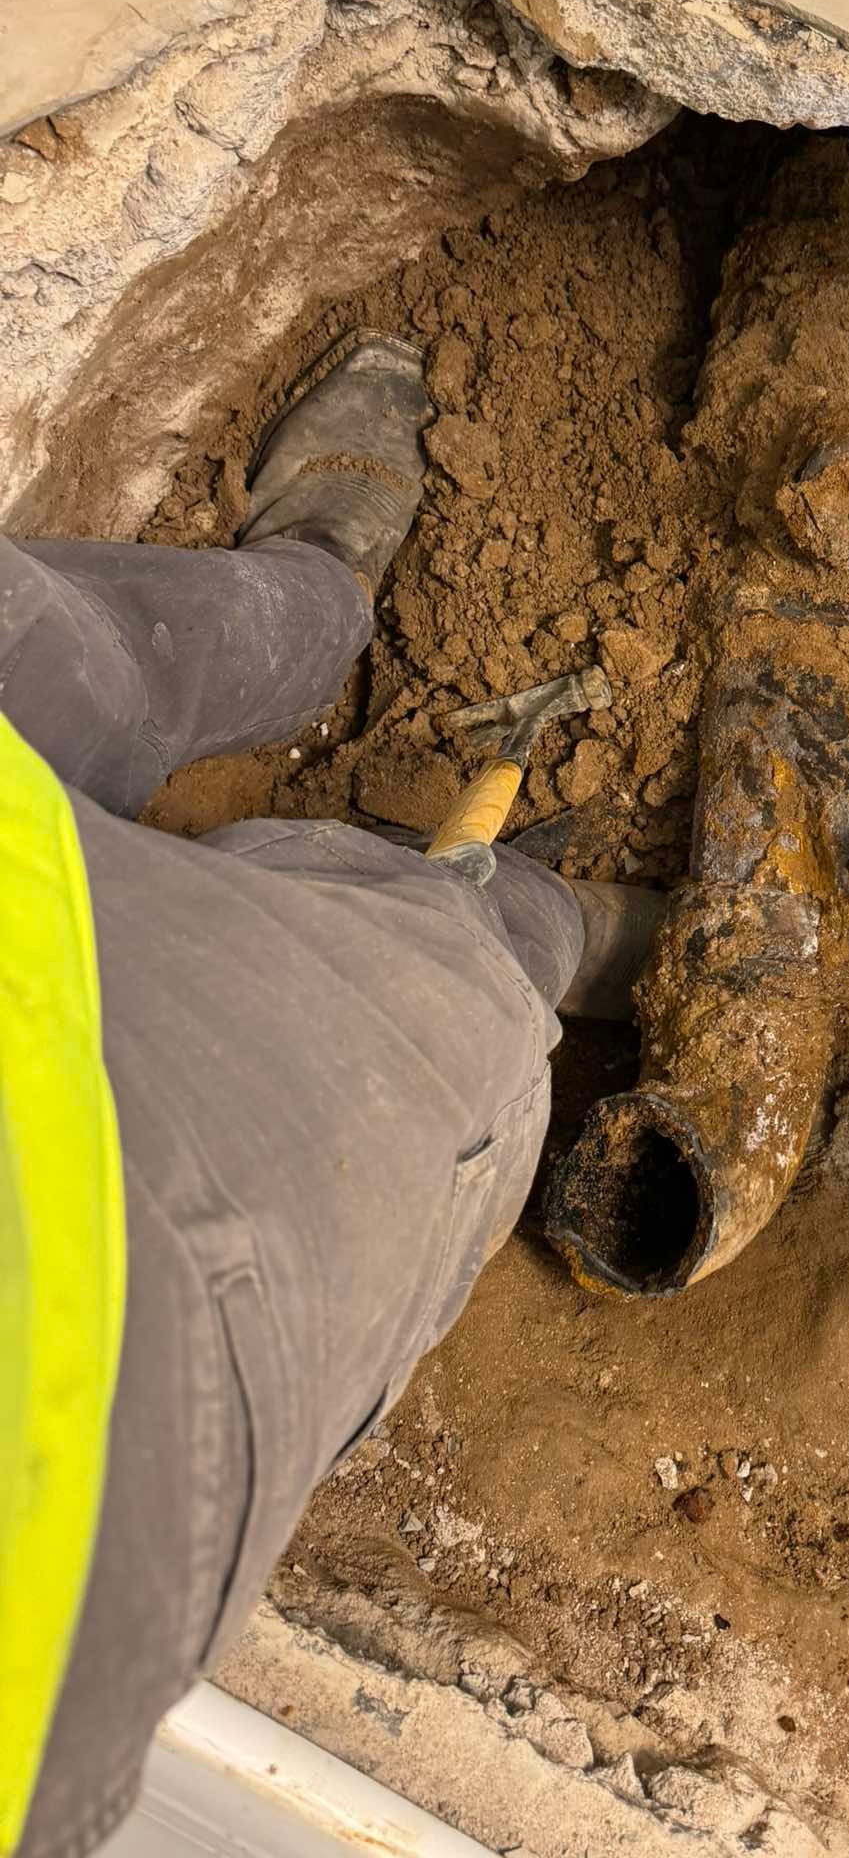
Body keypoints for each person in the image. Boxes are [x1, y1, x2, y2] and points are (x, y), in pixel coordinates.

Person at [0, 333, 647, 1858]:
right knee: (426, 1015)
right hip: (66, 1301)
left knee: (52, 650)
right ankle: (530, 926)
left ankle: (309, 602)